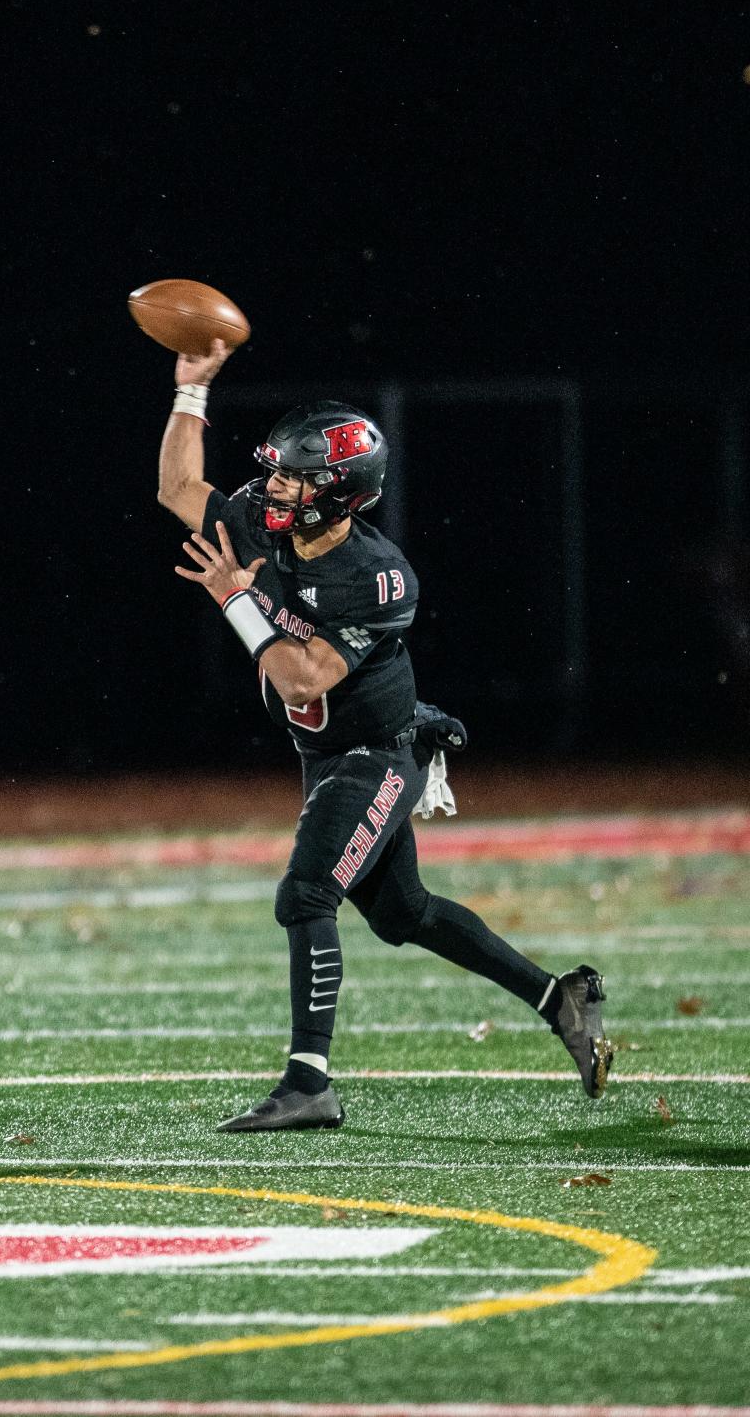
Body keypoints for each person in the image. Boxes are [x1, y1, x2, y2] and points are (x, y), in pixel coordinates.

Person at [157, 338, 613, 1132]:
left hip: (376, 752)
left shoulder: (377, 576)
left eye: (297, 477)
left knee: (307, 893)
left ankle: (309, 1083)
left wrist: (235, 598)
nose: (275, 486)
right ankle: (559, 997)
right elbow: (175, 487)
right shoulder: (266, 526)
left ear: (342, 494)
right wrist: (190, 393)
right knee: (403, 914)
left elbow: (303, 678)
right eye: (278, 470)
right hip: (325, 754)